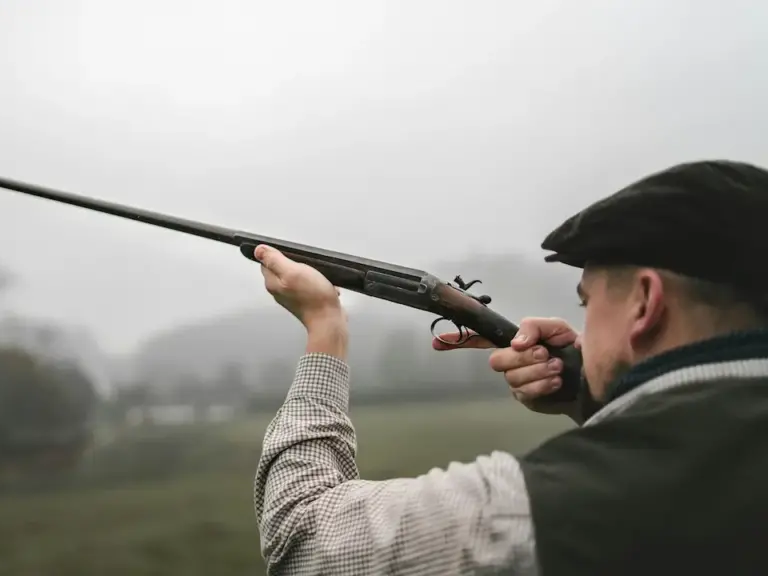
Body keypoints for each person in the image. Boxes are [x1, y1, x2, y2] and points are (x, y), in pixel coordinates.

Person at [251, 159, 768, 575]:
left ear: (644, 303)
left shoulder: (546, 505)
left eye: (586, 303)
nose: (582, 327)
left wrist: (324, 325)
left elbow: (301, 538)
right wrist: (584, 395)